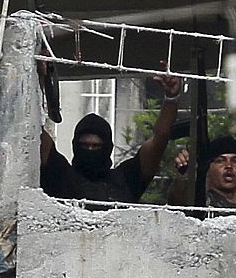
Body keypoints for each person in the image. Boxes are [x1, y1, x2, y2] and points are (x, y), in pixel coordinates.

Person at [39, 74, 181, 203]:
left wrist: (171, 99)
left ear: (107, 147)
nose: (90, 150)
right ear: (75, 145)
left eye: (96, 146)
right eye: (85, 145)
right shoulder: (61, 176)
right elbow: (34, 131)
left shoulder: (126, 179)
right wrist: (38, 74)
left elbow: (159, 139)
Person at [167, 135, 236, 208]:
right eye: (220, 161)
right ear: (208, 168)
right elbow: (178, 203)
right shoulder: (200, 203)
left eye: (235, 161)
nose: (229, 166)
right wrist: (184, 175)